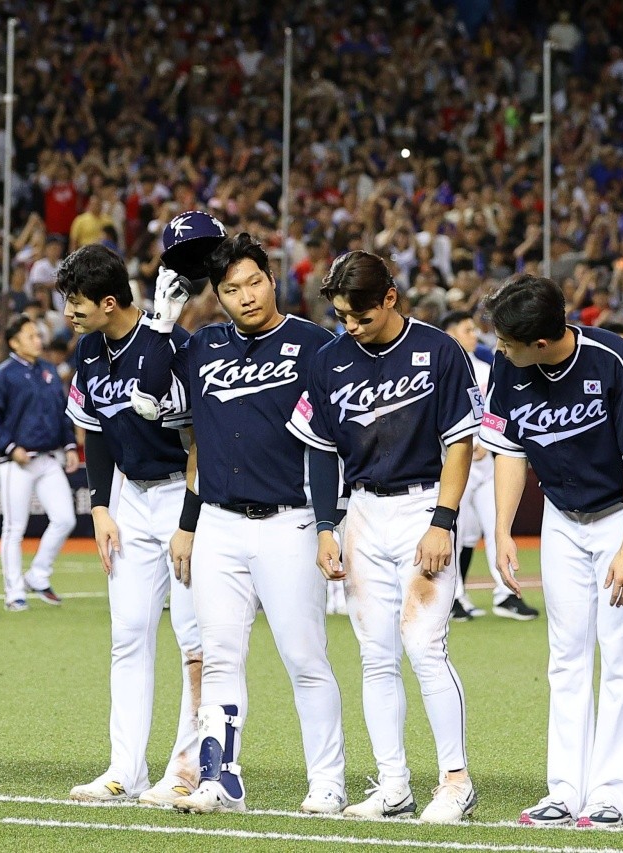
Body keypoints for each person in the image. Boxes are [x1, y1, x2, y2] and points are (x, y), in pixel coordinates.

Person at [132, 230, 347, 814]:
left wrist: (332, 521)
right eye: (231, 289)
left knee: (305, 657)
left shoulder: (314, 344)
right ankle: (220, 779)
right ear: (218, 296)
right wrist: (161, 321)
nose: (246, 296)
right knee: (220, 658)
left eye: (255, 282)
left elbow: (336, 436)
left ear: (272, 281)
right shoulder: (203, 345)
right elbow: (146, 398)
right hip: (219, 525)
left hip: (291, 521)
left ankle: (327, 781)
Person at [478, 274, 623, 829]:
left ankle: (609, 794)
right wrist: (501, 530)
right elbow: (508, 449)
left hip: (619, 515)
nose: (499, 350)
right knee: (566, 657)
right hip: (561, 519)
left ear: (541, 342)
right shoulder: (509, 368)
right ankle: (565, 791)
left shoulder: (613, 359)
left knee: (620, 657)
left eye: (507, 342)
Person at [288, 250, 479, 824]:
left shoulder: (438, 350)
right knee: (376, 656)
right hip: (364, 512)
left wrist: (443, 520)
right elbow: (320, 451)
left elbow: (460, 443)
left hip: (424, 503)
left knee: (424, 646)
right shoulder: (329, 360)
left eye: (360, 315)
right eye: (341, 315)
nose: (350, 326)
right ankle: (393, 784)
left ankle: (456, 781)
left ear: (390, 298)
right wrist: (327, 526)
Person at [58, 243, 203, 807]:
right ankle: (125, 769)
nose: (68, 313)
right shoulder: (89, 348)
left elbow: (200, 438)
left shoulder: (173, 344)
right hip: (131, 500)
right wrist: (101, 507)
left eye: (76, 302)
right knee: (128, 635)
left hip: (185, 495)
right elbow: (94, 430)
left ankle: (187, 769)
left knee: (193, 640)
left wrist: (189, 520)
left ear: (109, 302)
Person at [438, 310, 538, 622]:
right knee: (458, 533)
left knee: (498, 526)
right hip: (453, 463)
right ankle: (453, 597)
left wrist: (487, 440)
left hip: (486, 464)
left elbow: (497, 411)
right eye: (466, 329)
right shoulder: (439, 368)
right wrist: (463, 441)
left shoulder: (487, 368)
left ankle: (506, 594)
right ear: (450, 333)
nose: (474, 335)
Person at [0, 316, 79, 611]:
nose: (38, 340)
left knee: (65, 519)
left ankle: (37, 574)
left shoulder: (48, 369)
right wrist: (10, 447)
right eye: (30, 336)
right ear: (14, 342)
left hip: (48, 457)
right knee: (14, 528)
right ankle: (14, 593)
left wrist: (70, 444)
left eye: (38, 335)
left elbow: (62, 411)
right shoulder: (3, 375)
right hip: (17, 462)